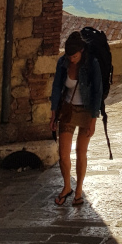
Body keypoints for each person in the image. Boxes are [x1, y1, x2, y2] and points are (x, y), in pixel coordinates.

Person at [50, 30, 102, 206]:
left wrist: (94, 119)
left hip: (87, 112)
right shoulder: (63, 63)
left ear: (82, 51)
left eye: (75, 56)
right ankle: (67, 187)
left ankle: (78, 191)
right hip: (68, 110)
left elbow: (97, 92)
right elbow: (57, 86)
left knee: (81, 152)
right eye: (69, 56)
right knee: (63, 154)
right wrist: (53, 112)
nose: (71, 59)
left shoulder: (91, 64)